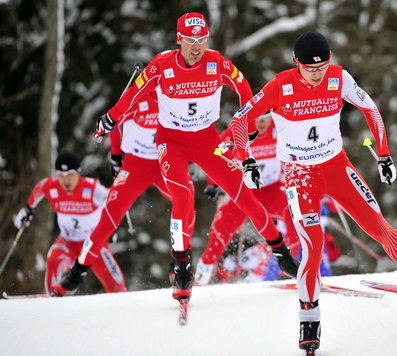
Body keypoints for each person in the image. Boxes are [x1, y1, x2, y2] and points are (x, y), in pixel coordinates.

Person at [230, 31, 397, 353]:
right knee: (314, 245)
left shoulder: (339, 78)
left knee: (378, 227)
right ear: (297, 63)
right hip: (298, 176)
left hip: (337, 167)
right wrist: (248, 161)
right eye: (310, 68)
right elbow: (241, 120)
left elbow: (372, 110)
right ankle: (309, 317)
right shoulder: (280, 86)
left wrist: (384, 154)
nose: (317, 73)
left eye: (323, 65)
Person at [54, 12, 298, 301]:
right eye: (191, 40)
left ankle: (281, 252)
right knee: (172, 198)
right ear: (179, 40)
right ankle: (172, 267)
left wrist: (249, 118)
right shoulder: (160, 68)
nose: (197, 47)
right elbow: (131, 97)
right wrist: (111, 125)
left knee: (242, 193)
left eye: (202, 40)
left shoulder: (217, 63)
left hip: (206, 140)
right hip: (167, 146)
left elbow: (245, 90)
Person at [50, 90, 189, 296]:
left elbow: (191, 127)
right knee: (109, 217)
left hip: (165, 162)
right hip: (136, 164)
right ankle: (75, 275)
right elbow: (113, 122)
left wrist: (188, 155)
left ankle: (181, 267)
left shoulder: (177, 97)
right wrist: (115, 156)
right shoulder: (136, 97)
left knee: (186, 203)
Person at [196, 113, 300, 285]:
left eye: (265, 119)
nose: (261, 124)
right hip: (244, 191)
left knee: (294, 214)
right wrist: (212, 184)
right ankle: (203, 271)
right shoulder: (236, 131)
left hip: (272, 191)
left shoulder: (281, 127)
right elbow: (216, 152)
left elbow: (295, 151)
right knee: (221, 227)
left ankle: (292, 269)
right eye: (257, 119)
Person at [13, 151, 127, 296]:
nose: (66, 180)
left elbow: (117, 199)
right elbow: (41, 187)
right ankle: (52, 298)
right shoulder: (53, 187)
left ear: (79, 173)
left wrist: (111, 228)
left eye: (70, 174)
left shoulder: (92, 189)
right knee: (53, 259)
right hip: (68, 241)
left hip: (94, 243)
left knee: (117, 285)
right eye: (61, 175)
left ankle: (121, 305)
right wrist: (29, 208)